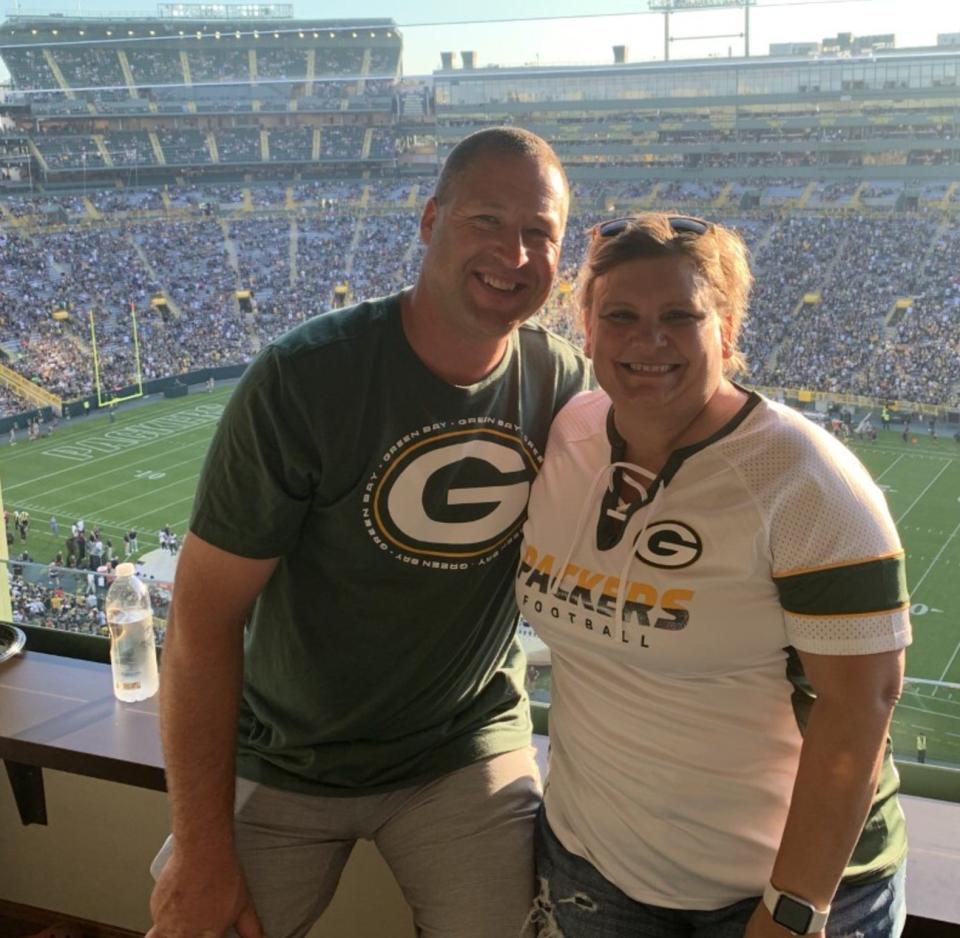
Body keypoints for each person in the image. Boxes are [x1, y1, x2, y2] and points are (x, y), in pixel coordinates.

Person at [147, 127, 590, 938]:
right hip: (286, 750)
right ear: (429, 222)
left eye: (540, 233)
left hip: (460, 749)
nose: (515, 253)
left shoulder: (559, 380)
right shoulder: (307, 377)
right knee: (198, 926)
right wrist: (204, 855)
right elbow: (202, 618)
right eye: (486, 221)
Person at [518, 213, 910, 938]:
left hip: (773, 888)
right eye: (622, 316)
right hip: (591, 867)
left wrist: (792, 909)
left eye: (680, 316)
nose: (648, 340)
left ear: (726, 330)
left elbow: (862, 704)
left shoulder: (803, 479)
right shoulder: (567, 435)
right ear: (589, 331)